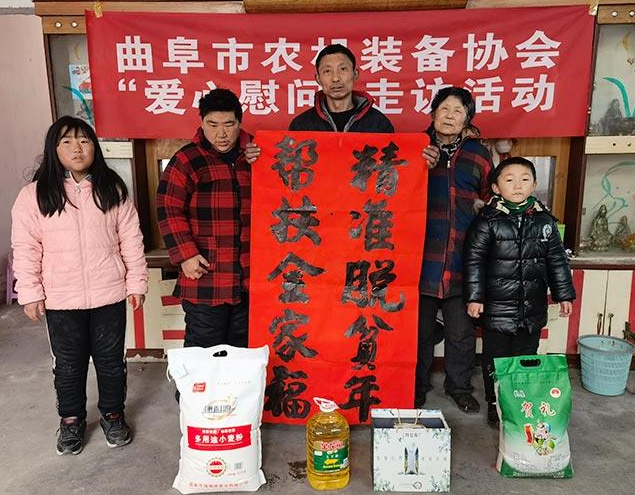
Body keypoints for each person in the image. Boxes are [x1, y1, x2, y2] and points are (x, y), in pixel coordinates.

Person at [11, 116, 148, 455]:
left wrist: (136, 282)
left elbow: (131, 239)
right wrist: (30, 292)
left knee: (111, 361)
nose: (77, 148)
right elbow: (26, 248)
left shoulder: (112, 188)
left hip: (108, 293)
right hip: (61, 299)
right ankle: (71, 420)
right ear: (53, 149)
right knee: (68, 365)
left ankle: (113, 415)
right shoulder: (34, 195)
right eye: (67, 141)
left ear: (94, 148)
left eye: (84, 141)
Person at [463, 157, 575, 425]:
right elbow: (474, 261)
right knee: (496, 361)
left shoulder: (545, 221)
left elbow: (557, 260)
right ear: (496, 188)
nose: (517, 185)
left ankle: (519, 404)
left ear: (534, 185)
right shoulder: (487, 221)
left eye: (524, 179)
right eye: (509, 180)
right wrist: (475, 297)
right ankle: (495, 403)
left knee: (525, 358)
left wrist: (564, 294)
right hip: (497, 308)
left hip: (531, 309)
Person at [415, 87, 492, 413]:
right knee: (418, 333)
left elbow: (489, 198)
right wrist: (418, 163)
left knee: (461, 333)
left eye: (458, 111)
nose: (449, 116)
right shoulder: (416, 148)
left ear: (467, 120)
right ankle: (415, 387)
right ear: (433, 113)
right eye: (444, 109)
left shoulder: (479, 154)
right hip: (421, 259)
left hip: (463, 260)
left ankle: (459, 387)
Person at [156, 88, 251, 349]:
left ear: (239, 123)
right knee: (202, 349)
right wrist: (185, 254)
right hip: (206, 275)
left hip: (249, 277)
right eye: (212, 124)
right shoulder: (187, 159)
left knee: (243, 351)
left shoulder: (255, 155)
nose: (221, 134)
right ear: (201, 123)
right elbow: (168, 207)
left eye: (229, 124)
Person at [245, 43, 439, 163]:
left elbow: (392, 166)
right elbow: (289, 166)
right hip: (318, 210)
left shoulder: (378, 123)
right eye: (327, 71)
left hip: (363, 209)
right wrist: (258, 156)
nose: (336, 78)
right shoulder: (302, 124)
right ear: (318, 78)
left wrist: (422, 160)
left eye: (343, 69)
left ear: (355, 74)